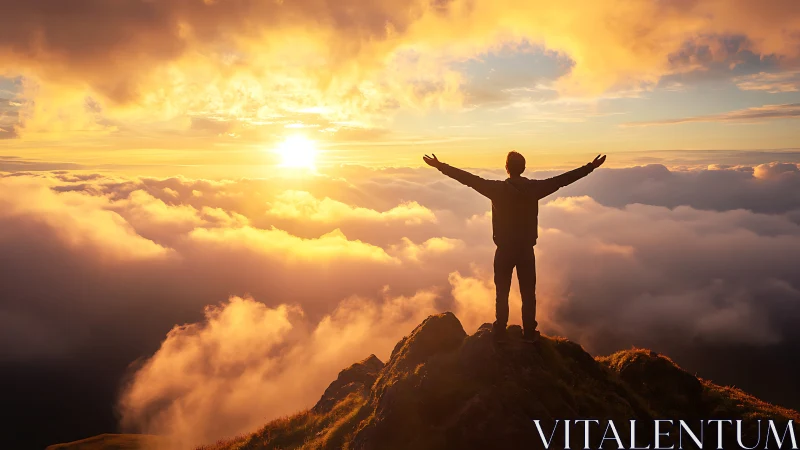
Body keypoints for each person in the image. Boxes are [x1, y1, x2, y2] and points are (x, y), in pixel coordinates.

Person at [423, 151, 606, 342]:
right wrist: (591, 167)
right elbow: (563, 180)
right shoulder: (535, 189)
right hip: (526, 250)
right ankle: (529, 332)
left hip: (504, 250)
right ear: (524, 168)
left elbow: (468, 179)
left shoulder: (496, 189)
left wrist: (440, 166)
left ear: (507, 168)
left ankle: (500, 330)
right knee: (528, 293)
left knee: (502, 292)